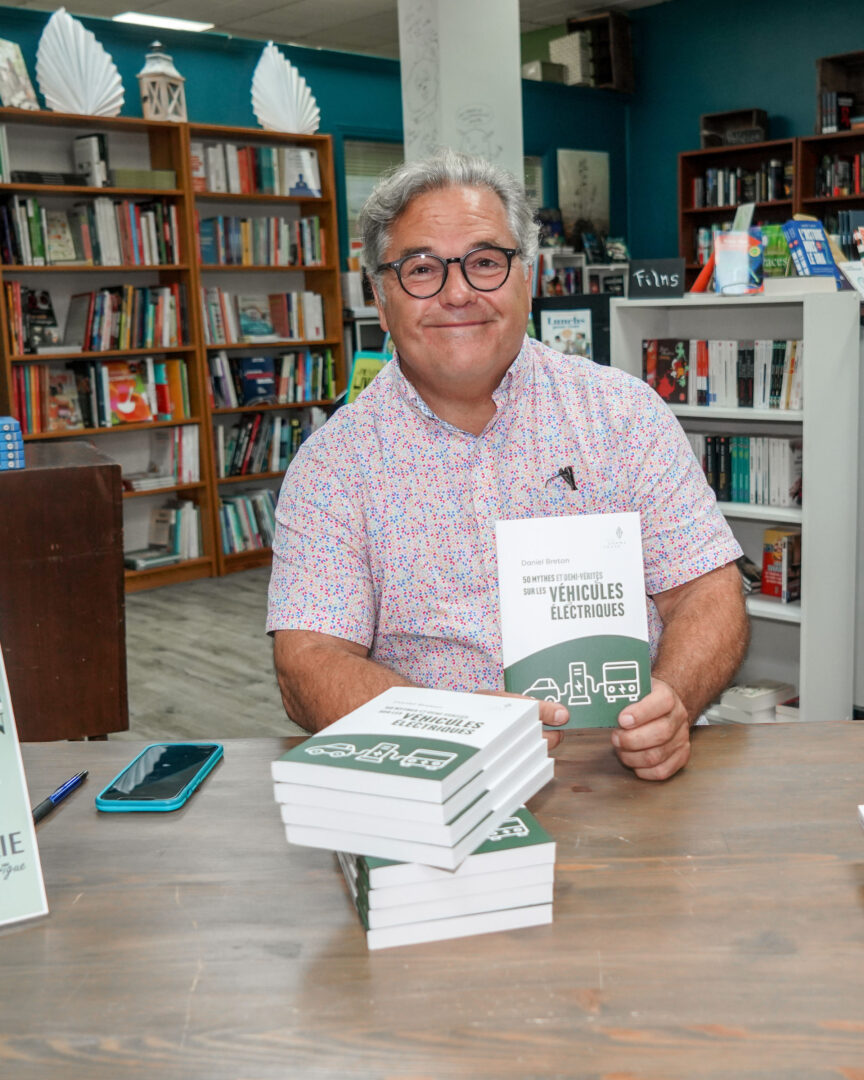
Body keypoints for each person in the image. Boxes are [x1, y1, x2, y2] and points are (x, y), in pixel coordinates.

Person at [267, 150, 749, 781]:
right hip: (438, 784)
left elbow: (708, 591)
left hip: (627, 773)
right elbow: (308, 662)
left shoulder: (623, 415)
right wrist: (451, 726)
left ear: (528, 278)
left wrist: (674, 698)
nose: (459, 292)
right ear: (382, 301)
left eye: (485, 262)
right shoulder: (333, 466)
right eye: (421, 269)